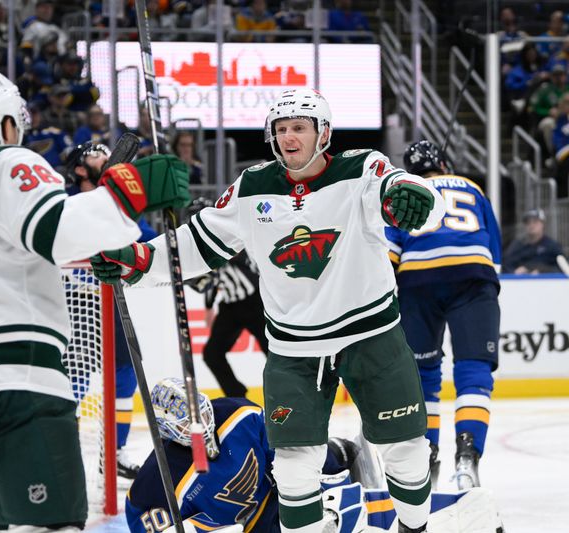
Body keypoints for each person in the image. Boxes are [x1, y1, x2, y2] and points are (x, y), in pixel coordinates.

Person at [92, 88, 446, 533]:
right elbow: (198, 243)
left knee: (407, 451)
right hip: (294, 349)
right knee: (295, 470)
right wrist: (138, 259)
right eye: (280, 129)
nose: (288, 137)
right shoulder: (252, 186)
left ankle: (415, 529)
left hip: (370, 334)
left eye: (299, 127)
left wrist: (416, 199)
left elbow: (403, 190)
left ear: (324, 133)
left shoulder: (362, 168)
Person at [0, 69, 190, 532]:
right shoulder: (12, 164)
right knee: (51, 525)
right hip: (12, 377)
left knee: (13, 525)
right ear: (1, 123)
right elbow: (60, 233)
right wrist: (130, 189)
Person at [387, 140, 502, 492]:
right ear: (444, 163)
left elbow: (388, 255)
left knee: (423, 376)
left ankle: (427, 457)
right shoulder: (473, 187)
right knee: (474, 370)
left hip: (418, 279)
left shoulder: (399, 194)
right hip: (473, 276)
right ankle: (467, 458)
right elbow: (494, 253)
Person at [125, 378, 360, 533]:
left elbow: (283, 446)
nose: (201, 424)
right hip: (238, 527)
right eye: (187, 424)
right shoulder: (158, 477)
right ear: (169, 432)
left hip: (275, 498)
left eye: (201, 414)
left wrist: (329, 463)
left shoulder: (237, 413)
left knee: (332, 461)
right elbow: (141, 519)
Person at [64, 140, 157, 479]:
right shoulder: (68, 203)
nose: (104, 156)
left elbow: (148, 243)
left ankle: (114, 451)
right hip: (76, 302)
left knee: (126, 374)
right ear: (78, 169)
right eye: (95, 154)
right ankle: (64, 453)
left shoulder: (120, 208)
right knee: (74, 379)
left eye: (106, 153)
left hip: (112, 299)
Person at [186, 197, 268, 398]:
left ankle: (286, 394)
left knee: (275, 353)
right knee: (212, 354)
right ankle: (238, 397)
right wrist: (207, 303)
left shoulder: (232, 236)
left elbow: (231, 263)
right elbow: (210, 281)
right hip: (230, 307)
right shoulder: (204, 246)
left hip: (255, 302)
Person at [503, 208, 565, 274]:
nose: (531, 225)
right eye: (528, 223)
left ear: (543, 224)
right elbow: (506, 265)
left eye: (535, 222)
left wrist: (542, 271)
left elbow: (563, 268)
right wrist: (515, 272)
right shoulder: (517, 246)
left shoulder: (552, 246)